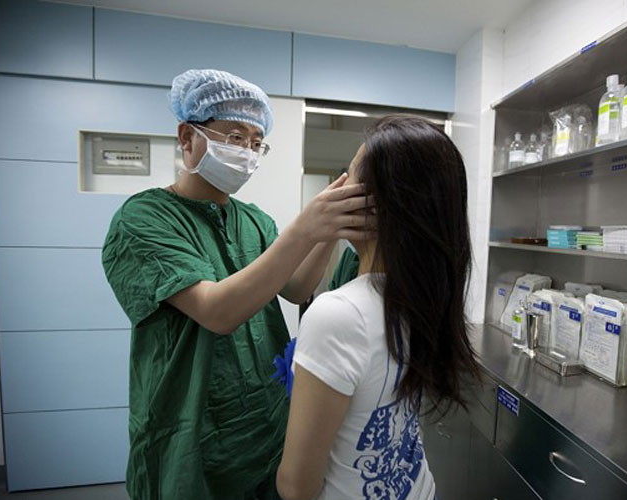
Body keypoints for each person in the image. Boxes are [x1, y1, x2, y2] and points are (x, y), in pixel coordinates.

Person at [101, 69, 374, 500]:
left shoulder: (254, 220)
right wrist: (304, 229)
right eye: (233, 136)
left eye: (254, 142)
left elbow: (297, 289)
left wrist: (329, 230)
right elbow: (217, 311)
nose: (246, 152)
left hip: (263, 422)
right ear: (187, 137)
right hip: (190, 430)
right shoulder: (143, 219)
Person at [276, 115, 483, 500]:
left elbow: (295, 486)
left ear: (370, 205)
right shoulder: (427, 296)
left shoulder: (337, 313)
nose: (336, 190)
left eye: (348, 178)